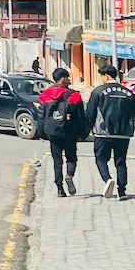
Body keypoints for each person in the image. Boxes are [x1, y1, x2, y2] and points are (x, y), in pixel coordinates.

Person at [84, 65, 135, 200]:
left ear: (107, 76)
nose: (101, 79)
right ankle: (122, 191)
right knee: (120, 162)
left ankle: (107, 179)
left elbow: (90, 113)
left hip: (103, 132)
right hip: (123, 133)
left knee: (101, 159)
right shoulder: (128, 93)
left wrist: (86, 129)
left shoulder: (98, 91)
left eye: (102, 76)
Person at [39, 67, 85, 197]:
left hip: (53, 133)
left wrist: (41, 133)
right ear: (63, 78)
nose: (69, 80)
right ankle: (69, 175)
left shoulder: (46, 95)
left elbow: (41, 116)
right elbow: (81, 116)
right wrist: (83, 132)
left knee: (57, 161)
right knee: (71, 158)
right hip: (70, 132)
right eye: (68, 77)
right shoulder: (74, 95)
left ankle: (59, 189)